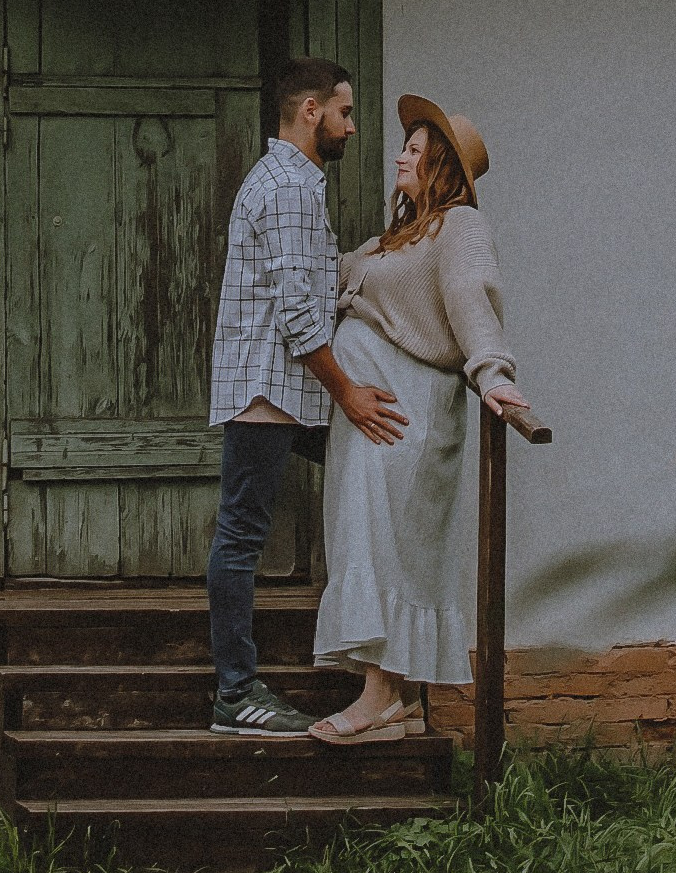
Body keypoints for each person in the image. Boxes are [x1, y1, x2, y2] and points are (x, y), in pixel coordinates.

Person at [310, 93, 536, 748]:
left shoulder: (460, 226)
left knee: (393, 546)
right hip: (371, 411)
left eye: (415, 150)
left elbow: (470, 297)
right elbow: (336, 277)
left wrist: (494, 374)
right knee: (364, 536)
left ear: (441, 166)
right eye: (404, 147)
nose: (400, 158)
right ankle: (393, 701)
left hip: (409, 412)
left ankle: (380, 699)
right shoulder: (398, 237)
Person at [205, 57, 406, 734]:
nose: (352, 127)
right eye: (344, 112)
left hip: (287, 391)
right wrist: (348, 393)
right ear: (311, 111)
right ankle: (236, 694)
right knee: (240, 536)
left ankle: (383, 672)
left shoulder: (285, 182)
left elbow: (312, 285)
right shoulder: (290, 187)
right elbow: (298, 315)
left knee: (376, 469)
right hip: (270, 390)